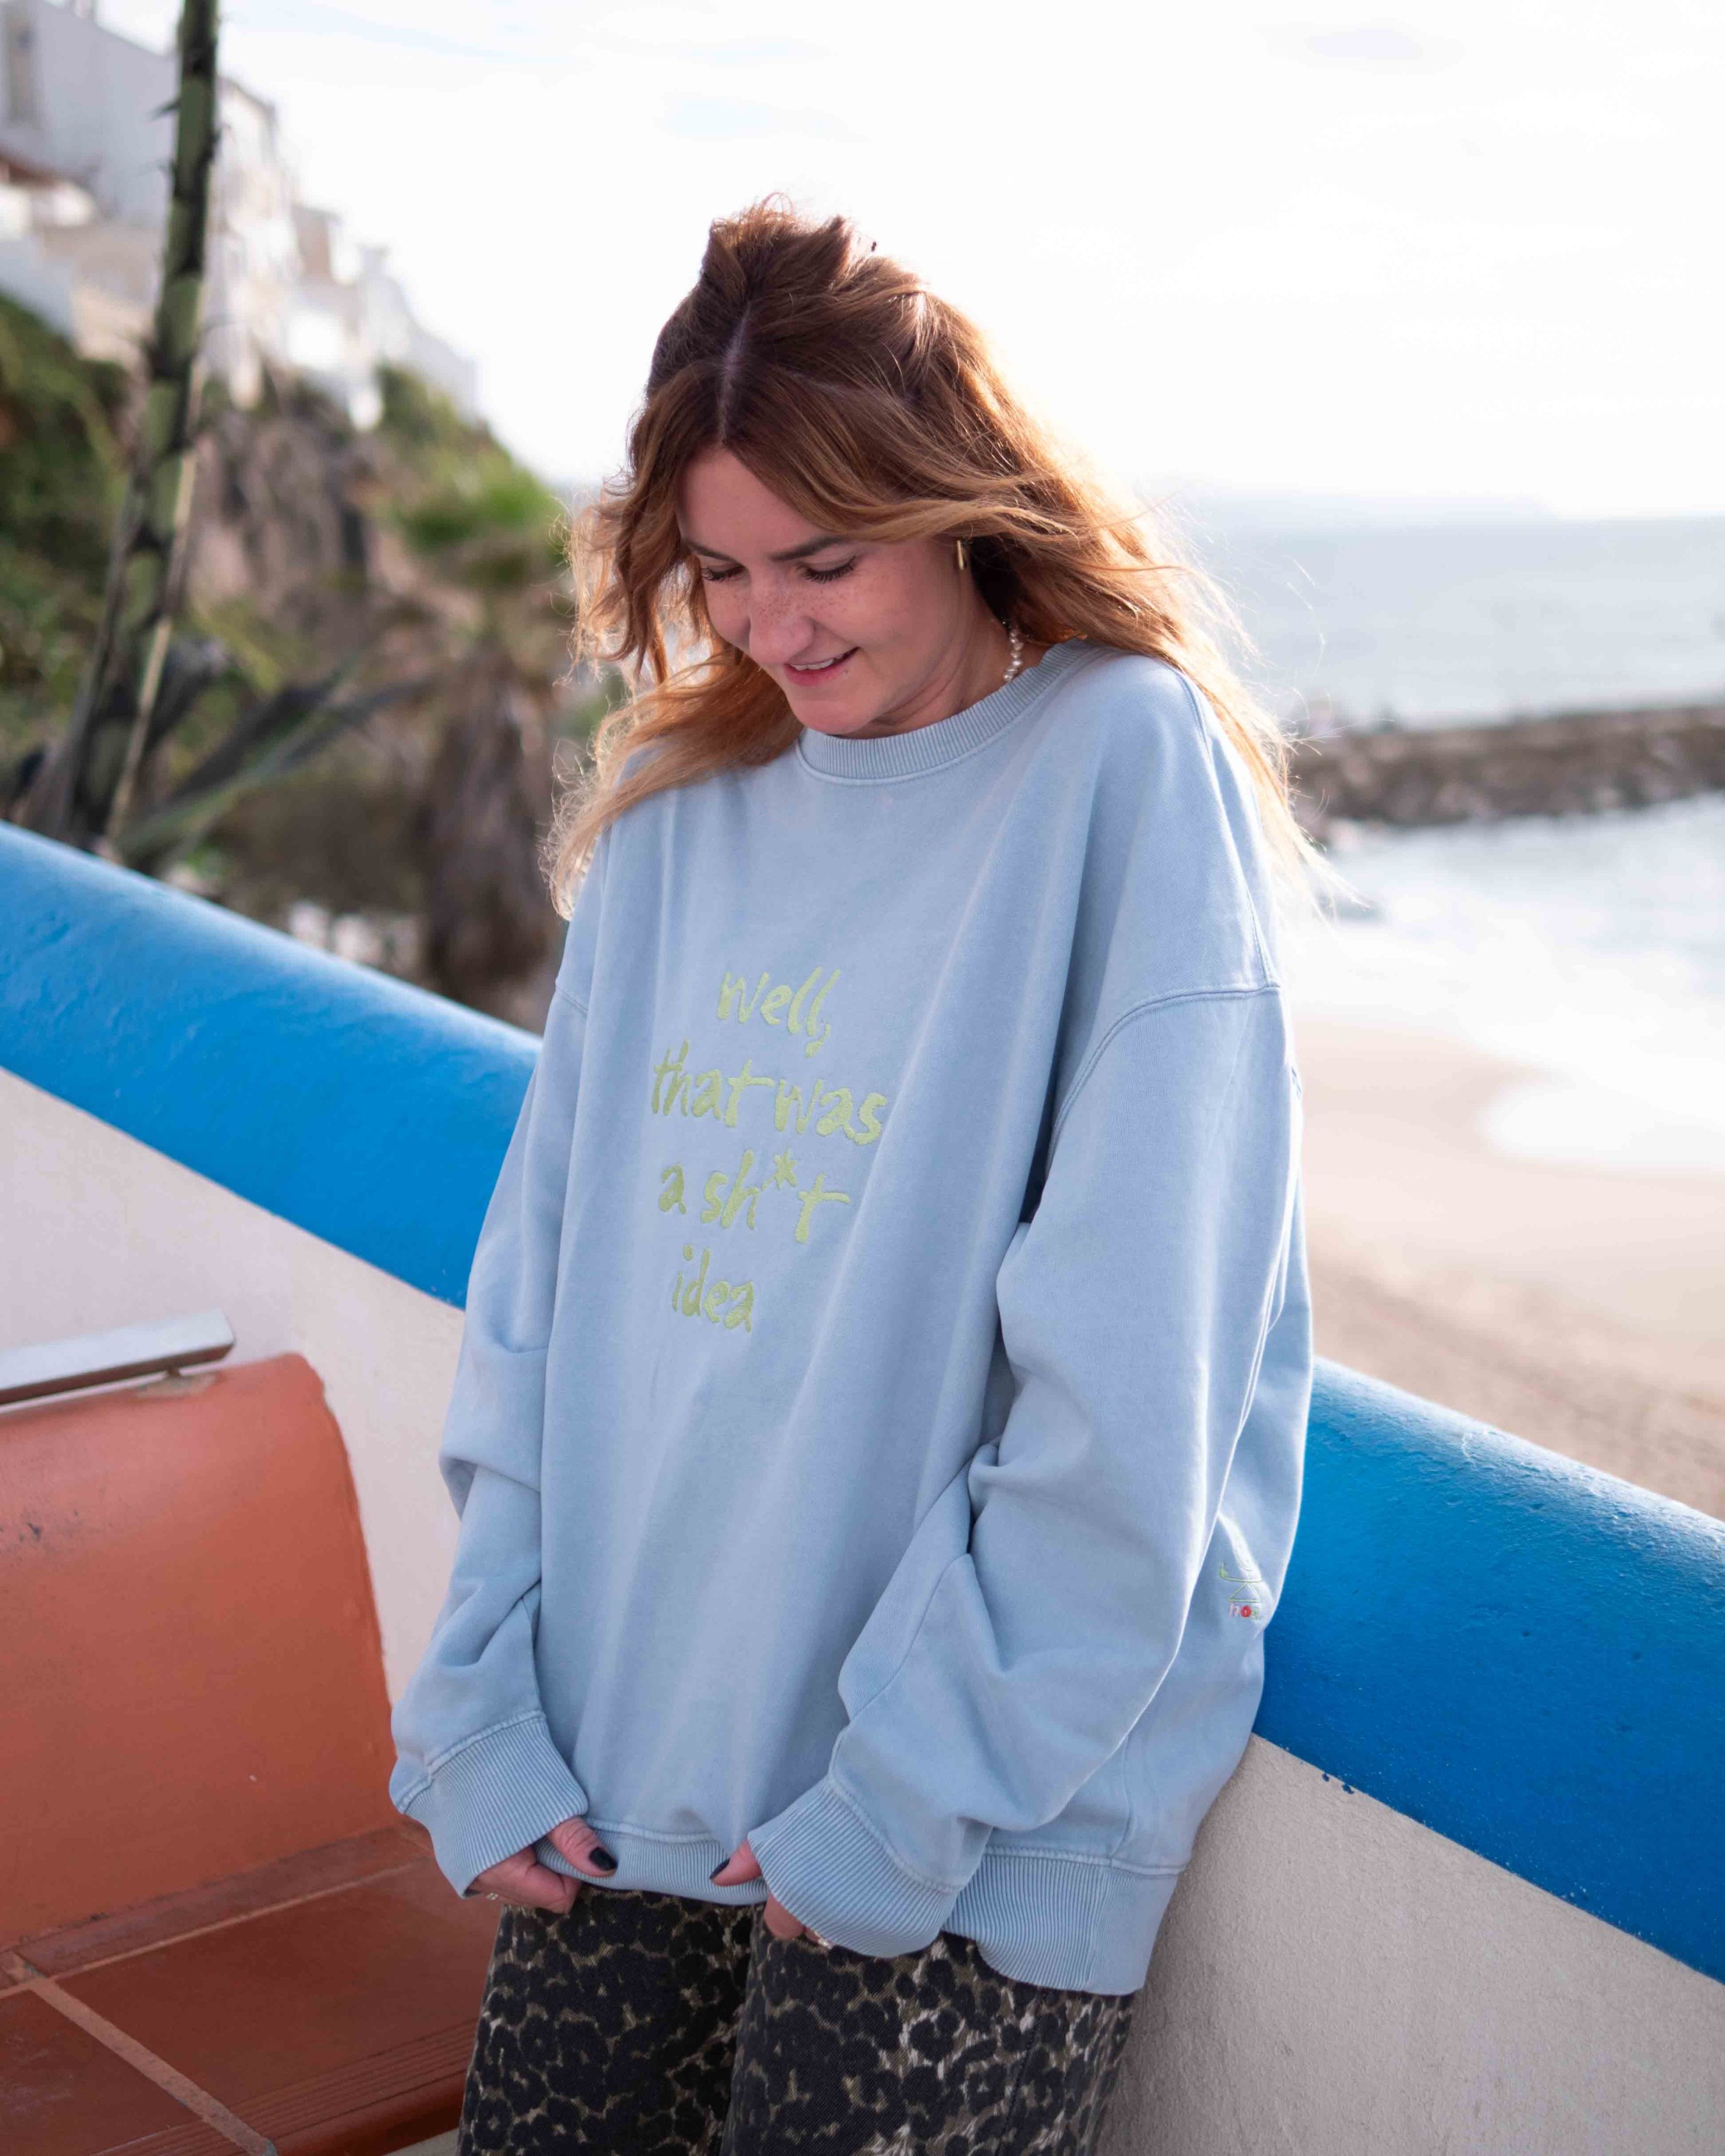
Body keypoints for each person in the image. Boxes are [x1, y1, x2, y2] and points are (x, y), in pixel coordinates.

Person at [388, 194, 1315, 2156]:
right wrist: (476, 1700)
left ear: (955, 505)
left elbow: (1132, 1384)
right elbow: (540, 1305)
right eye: (720, 569)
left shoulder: (1118, 766)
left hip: (963, 1826)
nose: (771, 624)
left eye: (824, 560)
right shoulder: (674, 816)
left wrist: (903, 1797)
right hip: (613, 1773)